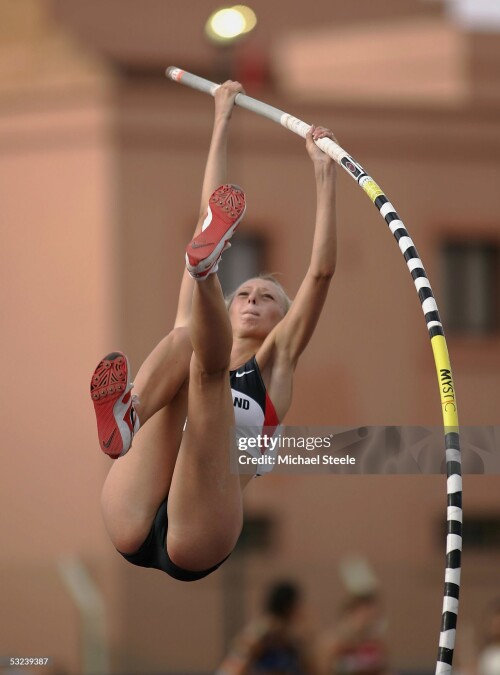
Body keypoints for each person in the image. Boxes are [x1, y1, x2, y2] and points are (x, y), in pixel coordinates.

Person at [90, 80, 337, 582]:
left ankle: (203, 270)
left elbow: (320, 274)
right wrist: (222, 117)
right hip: (130, 507)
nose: (251, 301)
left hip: (199, 533)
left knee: (206, 371)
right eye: (244, 294)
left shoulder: (277, 363)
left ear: (281, 321)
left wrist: (322, 172)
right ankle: (129, 414)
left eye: (267, 299)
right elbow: (212, 210)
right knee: (186, 340)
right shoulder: (200, 334)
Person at [217, 580, 316, 674]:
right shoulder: (263, 631)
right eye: (298, 604)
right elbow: (234, 664)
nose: (302, 609)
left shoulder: (290, 636)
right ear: (288, 606)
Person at [316, 593, 390, 675]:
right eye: (365, 615)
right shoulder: (330, 644)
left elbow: (384, 668)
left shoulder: (375, 644)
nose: (369, 621)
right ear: (349, 613)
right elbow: (322, 669)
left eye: (373, 617)